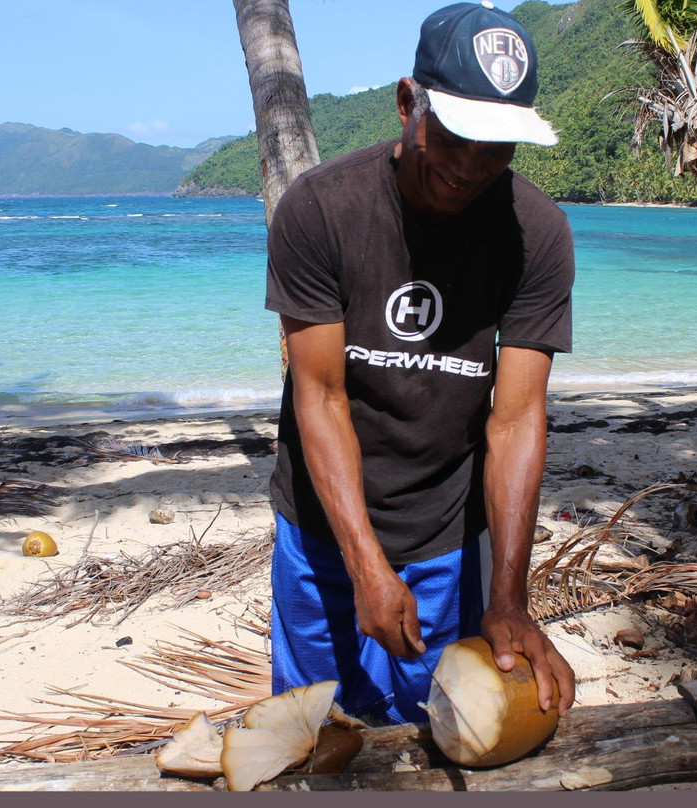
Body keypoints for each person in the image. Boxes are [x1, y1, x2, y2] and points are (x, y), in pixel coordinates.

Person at [264, 0, 576, 725]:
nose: (470, 168)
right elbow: (321, 397)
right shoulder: (322, 210)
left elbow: (518, 417)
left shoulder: (537, 232)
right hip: (322, 528)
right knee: (318, 734)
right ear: (410, 103)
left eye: (496, 146)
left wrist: (508, 601)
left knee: (444, 728)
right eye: (458, 135)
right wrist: (365, 562)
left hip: (446, 534)